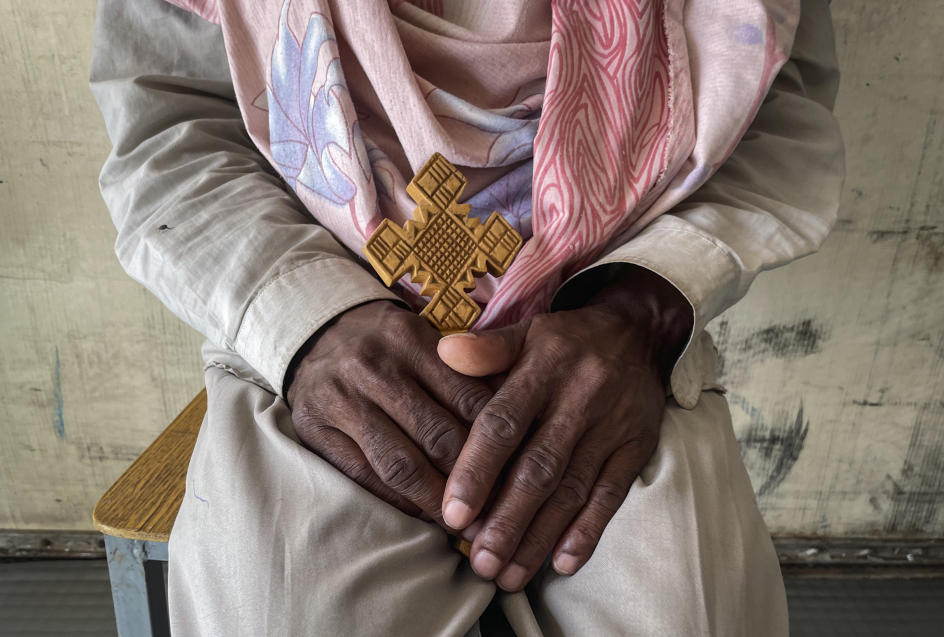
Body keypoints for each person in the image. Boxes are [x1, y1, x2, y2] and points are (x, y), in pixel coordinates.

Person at [90, 0, 844, 634]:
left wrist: (638, 311)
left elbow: (777, 109)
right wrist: (311, 323)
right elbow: (172, 125)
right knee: (283, 607)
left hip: (614, 325)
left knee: (684, 607)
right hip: (310, 305)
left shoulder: (630, 322)